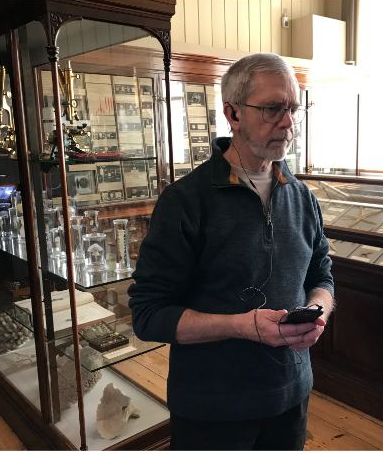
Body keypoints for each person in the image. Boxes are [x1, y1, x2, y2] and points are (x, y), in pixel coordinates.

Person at [129, 52, 334, 451]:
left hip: (291, 395)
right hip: (213, 407)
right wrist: (241, 326)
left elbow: (321, 276)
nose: (288, 122)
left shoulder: (302, 197)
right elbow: (148, 314)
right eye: (273, 108)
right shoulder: (185, 201)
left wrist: (318, 313)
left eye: (293, 108)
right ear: (233, 114)